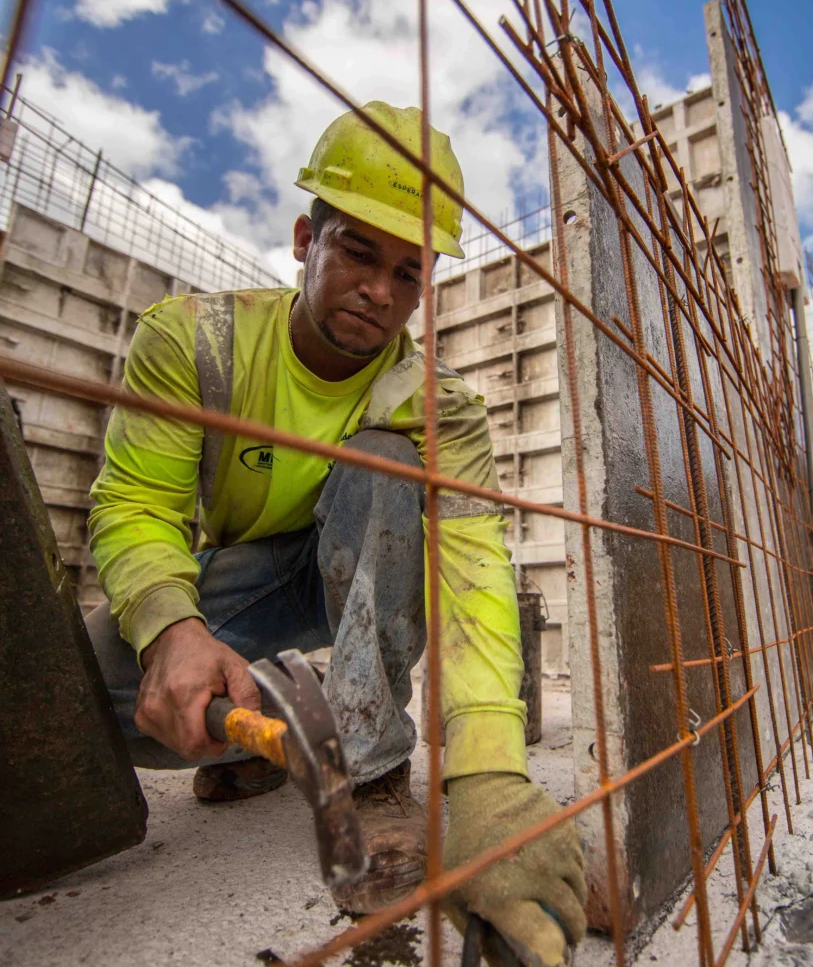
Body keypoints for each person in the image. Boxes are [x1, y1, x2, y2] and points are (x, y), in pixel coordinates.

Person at [85, 101, 585, 964]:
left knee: (382, 472)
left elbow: (472, 581)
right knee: (95, 700)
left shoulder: (441, 412)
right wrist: (171, 626)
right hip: (240, 585)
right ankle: (276, 730)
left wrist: (490, 777)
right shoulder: (193, 342)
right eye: (357, 251)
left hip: (361, 572)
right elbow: (134, 504)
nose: (381, 293)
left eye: (409, 272)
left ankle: (373, 762)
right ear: (303, 239)